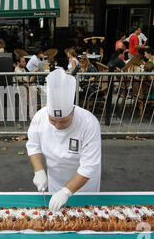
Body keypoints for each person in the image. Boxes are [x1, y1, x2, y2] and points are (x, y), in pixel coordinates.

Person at [27, 68, 101, 212]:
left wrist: (66, 192)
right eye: (53, 121)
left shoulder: (89, 123)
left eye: (64, 121)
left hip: (84, 186)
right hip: (55, 181)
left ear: (73, 111)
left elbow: (89, 166)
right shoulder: (40, 117)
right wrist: (39, 170)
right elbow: (34, 145)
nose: (58, 125)